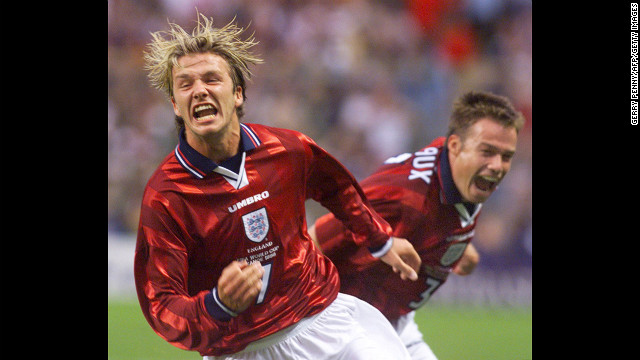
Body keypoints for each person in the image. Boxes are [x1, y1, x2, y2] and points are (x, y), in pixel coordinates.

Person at [133, 11, 422, 360]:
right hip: (242, 350)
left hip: (327, 321)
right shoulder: (166, 197)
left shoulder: (287, 150)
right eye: (186, 84)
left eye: (212, 79)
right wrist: (217, 305)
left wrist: (380, 240)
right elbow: (161, 304)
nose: (199, 90)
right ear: (175, 106)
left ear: (237, 94)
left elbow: (339, 189)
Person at [309, 90, 525, 360]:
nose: (497, 166)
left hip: (395, 318)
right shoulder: (404, 194)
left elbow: (438, 221)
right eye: (487, 152)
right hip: (348, 320)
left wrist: (457, 249)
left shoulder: (463, 175)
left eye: (506, 156)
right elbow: (315, 238)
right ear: (456, 147)